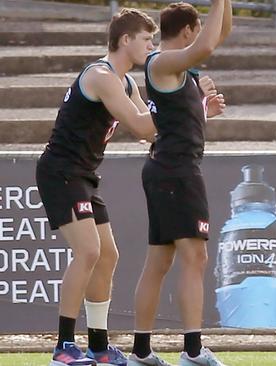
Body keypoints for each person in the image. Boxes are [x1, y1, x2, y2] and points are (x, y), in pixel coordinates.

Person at [36, 8, 158, 366]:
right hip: (61, 171)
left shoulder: (127, 83)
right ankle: (62, 348)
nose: (151, 47)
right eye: (146, 40)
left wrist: (195, 112)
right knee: (88, 251)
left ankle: (98, 346)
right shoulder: (102, 75)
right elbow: (139, 124)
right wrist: (185, 102)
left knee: (108, 255)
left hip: (83, 174)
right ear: (125, 40)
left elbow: (150, 132)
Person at [126, 1, 231, 366]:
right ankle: (192, 350)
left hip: (168, 169)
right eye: (198, 28)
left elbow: (220, 35)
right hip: (176, 171)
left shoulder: (179, 71)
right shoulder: (161, 61)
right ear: (187, 30)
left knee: (160, 260)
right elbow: (206, 45)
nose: (201, 34)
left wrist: (204, 113)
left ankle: (141, 352)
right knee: (195, 256)